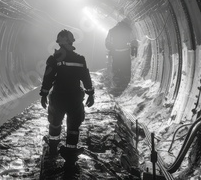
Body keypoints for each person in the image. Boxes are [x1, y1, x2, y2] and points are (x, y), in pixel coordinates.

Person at [40, 29, 95, 165]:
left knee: (55, 122)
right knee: (73, 126)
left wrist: (44, 94)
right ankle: (70, 153)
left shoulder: (54, 59)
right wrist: (90, 93)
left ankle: (52, 148)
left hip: (58, 97)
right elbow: (86, 77)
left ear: (59, 43)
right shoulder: (80, 59)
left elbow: (48, 78)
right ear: (71, 42)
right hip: (74, 98)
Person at [105, 18, 137, 96]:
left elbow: (107, 42)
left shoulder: (112, 30)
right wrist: (133, 49)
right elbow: (133, 41)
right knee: (125, 70)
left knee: (116, 70)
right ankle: (124, 87)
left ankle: (116, 87)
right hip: (125, 53)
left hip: (116, 54)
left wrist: (111, 49)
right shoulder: (129, 30)